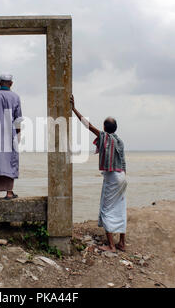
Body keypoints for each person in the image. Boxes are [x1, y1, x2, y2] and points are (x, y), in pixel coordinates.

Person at [70, 94, 127, 252]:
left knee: (106, 209)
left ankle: (111, 246)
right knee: (120, 207)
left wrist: (74, 109)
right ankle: (122, 242)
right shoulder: (119, 140)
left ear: (104, 128)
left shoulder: (105, 137)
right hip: (122, 176)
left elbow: (88, 126)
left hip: (112, 177)